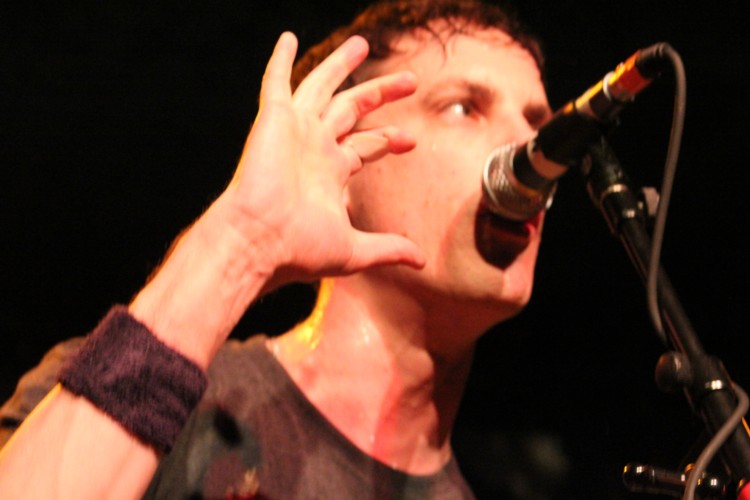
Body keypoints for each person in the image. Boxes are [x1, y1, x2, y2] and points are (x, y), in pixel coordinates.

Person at [0, 0, 552, 497]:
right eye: (462, 107)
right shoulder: (127, 387)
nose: (529, 152)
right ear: (341, 150)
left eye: (538, 124)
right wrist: (241, 241)